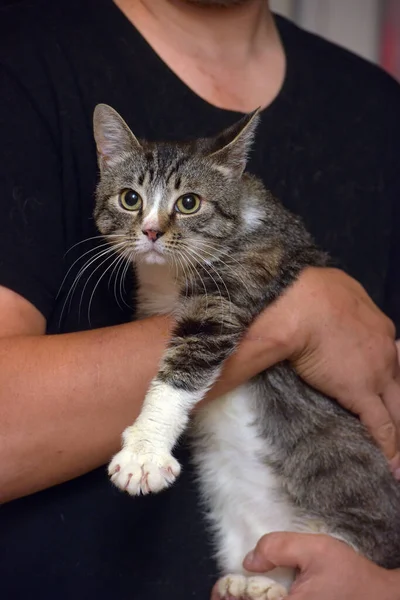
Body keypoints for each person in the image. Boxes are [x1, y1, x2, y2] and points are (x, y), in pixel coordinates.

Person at [0, 0, 399, 598]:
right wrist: (295, 315)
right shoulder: (23, 50)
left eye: (183, 207)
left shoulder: (380, 108)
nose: (154, 229)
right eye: (135, 204)